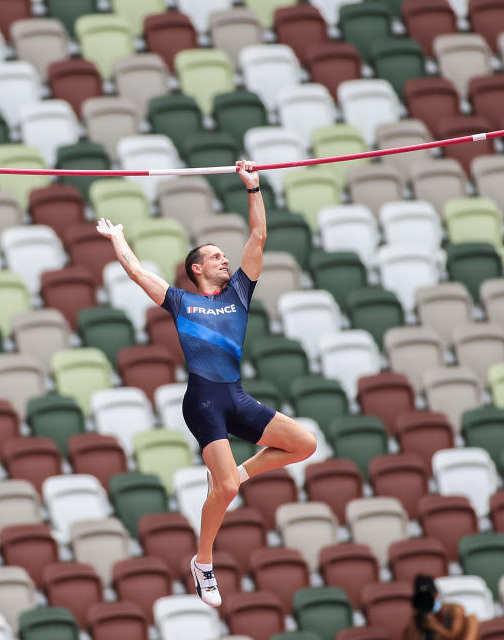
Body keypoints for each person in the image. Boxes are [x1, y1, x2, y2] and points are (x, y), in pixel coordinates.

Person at [96, 160, 317, 608]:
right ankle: (203, 563)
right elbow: (138, 273)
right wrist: (118, 238)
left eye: (223, 256)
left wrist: (252, 188)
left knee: (304, 444)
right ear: (196, 269)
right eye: (215, 256)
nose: (225, 259)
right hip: (203, 401)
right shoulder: (180, 302)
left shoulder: (239, 292)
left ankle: (240, 471)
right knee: (228, 492)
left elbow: (258, 237)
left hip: (234, 395)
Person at [405, 575, 480, 640]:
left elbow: (454, 635)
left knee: (472, 619)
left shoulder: (453, 609)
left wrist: (434, 626)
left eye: (428, 597)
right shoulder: (417, 616)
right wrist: (416, 619)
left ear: (435, 594)